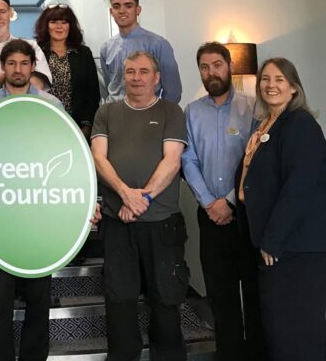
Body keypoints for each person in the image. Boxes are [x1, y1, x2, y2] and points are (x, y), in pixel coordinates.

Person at [91, 51, 188, 361]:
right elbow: (97, 158)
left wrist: (141, 198)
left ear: (156, 78)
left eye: (144, 72)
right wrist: (124, 193)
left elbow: (172, 161)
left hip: (162, 222)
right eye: (130, 71)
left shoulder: (172, 112)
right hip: (117, 223)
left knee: (166, 298)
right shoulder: (106, 112)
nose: (136, 77)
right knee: (119, 299)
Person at [0, 38, 59, 361]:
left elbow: (61, 156)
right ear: (2, 67)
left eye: (24, 63)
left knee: (39, 298)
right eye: (11, 64)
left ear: (33, 67)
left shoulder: (51, 105)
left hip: (39, 219)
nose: (17, 69)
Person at [235, 57, 326, 361]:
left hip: (294, 249)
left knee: (297, 334)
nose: (271, 85)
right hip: (273, 246)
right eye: (265, 79)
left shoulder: (300, 125)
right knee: (278, 331)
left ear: (294, 89)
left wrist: (272, 238)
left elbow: (300, 186)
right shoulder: (264, 127)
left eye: (279, 80)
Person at [181, 42, 265, 360]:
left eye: (217, 64)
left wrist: (228, 202)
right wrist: (209, 202)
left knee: (254, 292)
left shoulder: (254, 107)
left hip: (246, 215)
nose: (211, 72)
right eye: (204, 66)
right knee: (220, 294)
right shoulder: (192, 111)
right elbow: (188, 160)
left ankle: (258, 353)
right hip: (210, 217)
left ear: (229, 65)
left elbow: (256, 160)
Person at [100, 0, 181, 105]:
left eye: (128, 6)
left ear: (138, 10)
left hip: (148, 114)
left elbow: (173, 92)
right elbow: (108, 87)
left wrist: (158, 115)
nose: (122, 10)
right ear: (111, 12)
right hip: (114, 115)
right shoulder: (106, 48)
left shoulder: (158, 45)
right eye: (117, 6)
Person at [34, 3, 100, 139]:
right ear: (46, 25)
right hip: (42, 122)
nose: (59, 26)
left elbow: (93, 93)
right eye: (54, 22)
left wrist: (87, 126)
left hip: (76, 125)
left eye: (64, 22)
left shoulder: (84, 53)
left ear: (70, 26)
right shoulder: (36, 51)